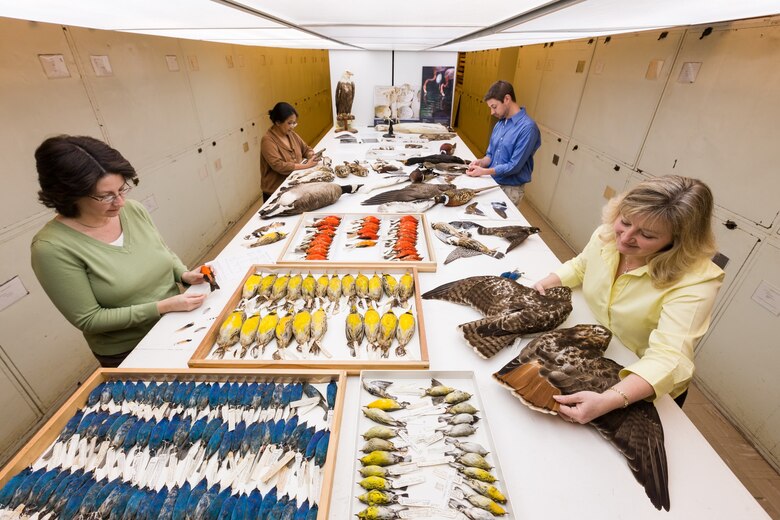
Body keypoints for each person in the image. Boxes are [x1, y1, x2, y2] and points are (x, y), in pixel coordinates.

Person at [533, 175, 724, 423]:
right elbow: (581, 265)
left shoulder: (697, 280)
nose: (624, 238)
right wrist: (549, 281)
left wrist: (611, 398)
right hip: (593, 352)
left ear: (677, 242)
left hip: (637, 379)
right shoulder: (608, 234)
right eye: (625, 221)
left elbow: (669, 358)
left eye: (647, 235)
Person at [31, 135, 208, 367]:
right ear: (69, 195)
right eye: (106, 196)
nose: (120, 202)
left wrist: (183, 274)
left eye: (122, 189)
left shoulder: (133, 210)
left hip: (178, 322)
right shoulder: (51, 248)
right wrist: (163, 306)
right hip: (132, 350)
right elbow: (89, 318)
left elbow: (162, 252)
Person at [466, 80, 541, 206]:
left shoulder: (528, 128)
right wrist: (481, 162)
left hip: (509, 189)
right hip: (492, 181)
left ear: (507, 99)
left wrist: (484, 171)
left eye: (494, 107)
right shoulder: (500, 123)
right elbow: (490, 154)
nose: (492, 112)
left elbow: (514, 166)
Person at [260, 102, 320, 199]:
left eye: (294, 123)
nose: (292, 126)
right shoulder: (267, 140)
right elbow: (279, 165)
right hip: (276, 192)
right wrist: (306, 166)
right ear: (278, 122)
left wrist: (311, 155)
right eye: (289, 123)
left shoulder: (291, 134)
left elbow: (305, 149)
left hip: (293, 187)